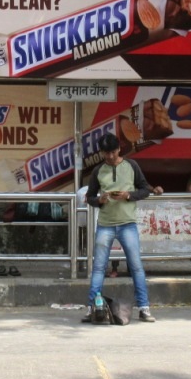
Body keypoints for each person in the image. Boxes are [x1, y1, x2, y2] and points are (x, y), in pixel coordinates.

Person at [82, 132, 155, 323]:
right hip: (105, 224)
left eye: (112, 152)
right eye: (105, 153)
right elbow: (89, 197)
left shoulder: (132, 166)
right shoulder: (98, 171)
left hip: (127, 224)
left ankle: (144, 308)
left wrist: (129, 195)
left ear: (118, 149)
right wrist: (100, 199)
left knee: (136, 266)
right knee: (98, 267)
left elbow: (146, 189)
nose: (110, 157)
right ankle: (92, 308)